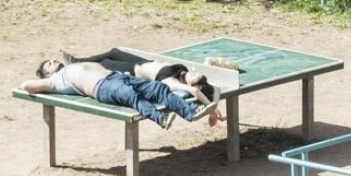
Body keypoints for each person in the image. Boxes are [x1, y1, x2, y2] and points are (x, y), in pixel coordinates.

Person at [19, 59, 217, 130]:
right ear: (47, 73)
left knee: (159, 89)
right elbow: (25, 85)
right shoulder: (54, 80)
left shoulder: (71, 66)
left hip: (118, 77)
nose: (53, 61)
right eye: (49, 64)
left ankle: (191, 111)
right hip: (103, 87)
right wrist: (44, 82)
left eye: (52, 59)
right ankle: (161, 118)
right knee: (131, 96)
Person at [58, 48, 225, 124]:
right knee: (114, 52)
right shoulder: (183, 71)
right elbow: (216, 88)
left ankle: (71, 69)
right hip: (142, 61)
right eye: (196, 73)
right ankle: (77, 61)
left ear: (189, 83)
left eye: (194, 76)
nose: (194, 71)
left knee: (104, 64)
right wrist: (215, 106)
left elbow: (195, 91)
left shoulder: (172, 82)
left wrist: (211, 110)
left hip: (132, 71)